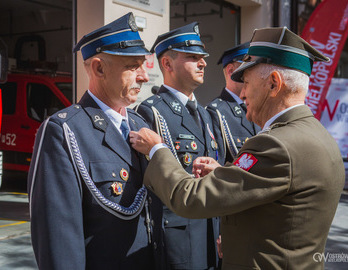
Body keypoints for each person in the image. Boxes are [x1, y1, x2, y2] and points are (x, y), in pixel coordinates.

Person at [129, 26, 345, 269]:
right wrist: (224, 173)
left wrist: (158, 150)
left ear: (274, 84)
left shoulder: (275, 144)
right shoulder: (320, 136)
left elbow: (191, 198)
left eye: (247, 82)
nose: (242, 93)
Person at [27, 13, 165, 270]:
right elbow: (59, 239)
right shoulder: (64, 130)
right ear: (99, 68)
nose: (144, 77)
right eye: (133, 67)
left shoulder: (140, 125)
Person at [135, 22, 220, 269]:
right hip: (176, 239)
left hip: (210, 234)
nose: (203, 63)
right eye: (193, 57)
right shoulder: (151, 112)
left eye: (202, 57)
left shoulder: (205, 114)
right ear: (168, 64)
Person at [207, 42, 261, 164]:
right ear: (231, 71)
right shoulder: (216, 112)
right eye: (249, 69)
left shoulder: (259, 107)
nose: (255, 74)